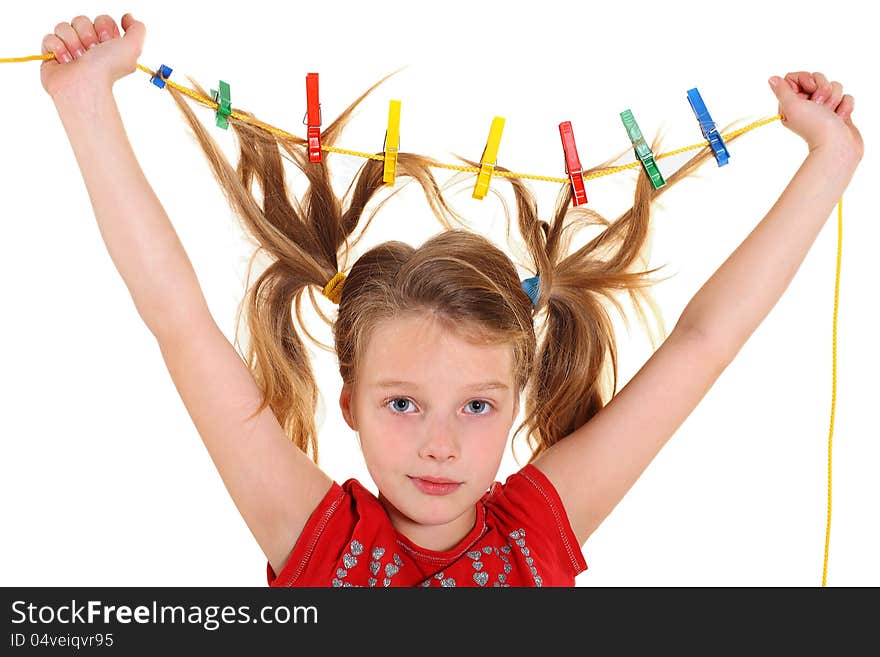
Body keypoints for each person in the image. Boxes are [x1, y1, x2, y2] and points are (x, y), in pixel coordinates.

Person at [40, 13, 863, 587]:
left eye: (476, 406)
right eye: (403, 402)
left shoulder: (534, 528)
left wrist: (828, 161)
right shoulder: (314, 534)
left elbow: (703, 342)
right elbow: (176, 316)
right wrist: (86, 107)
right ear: (350, 401)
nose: (440, 445)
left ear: (516, 402)